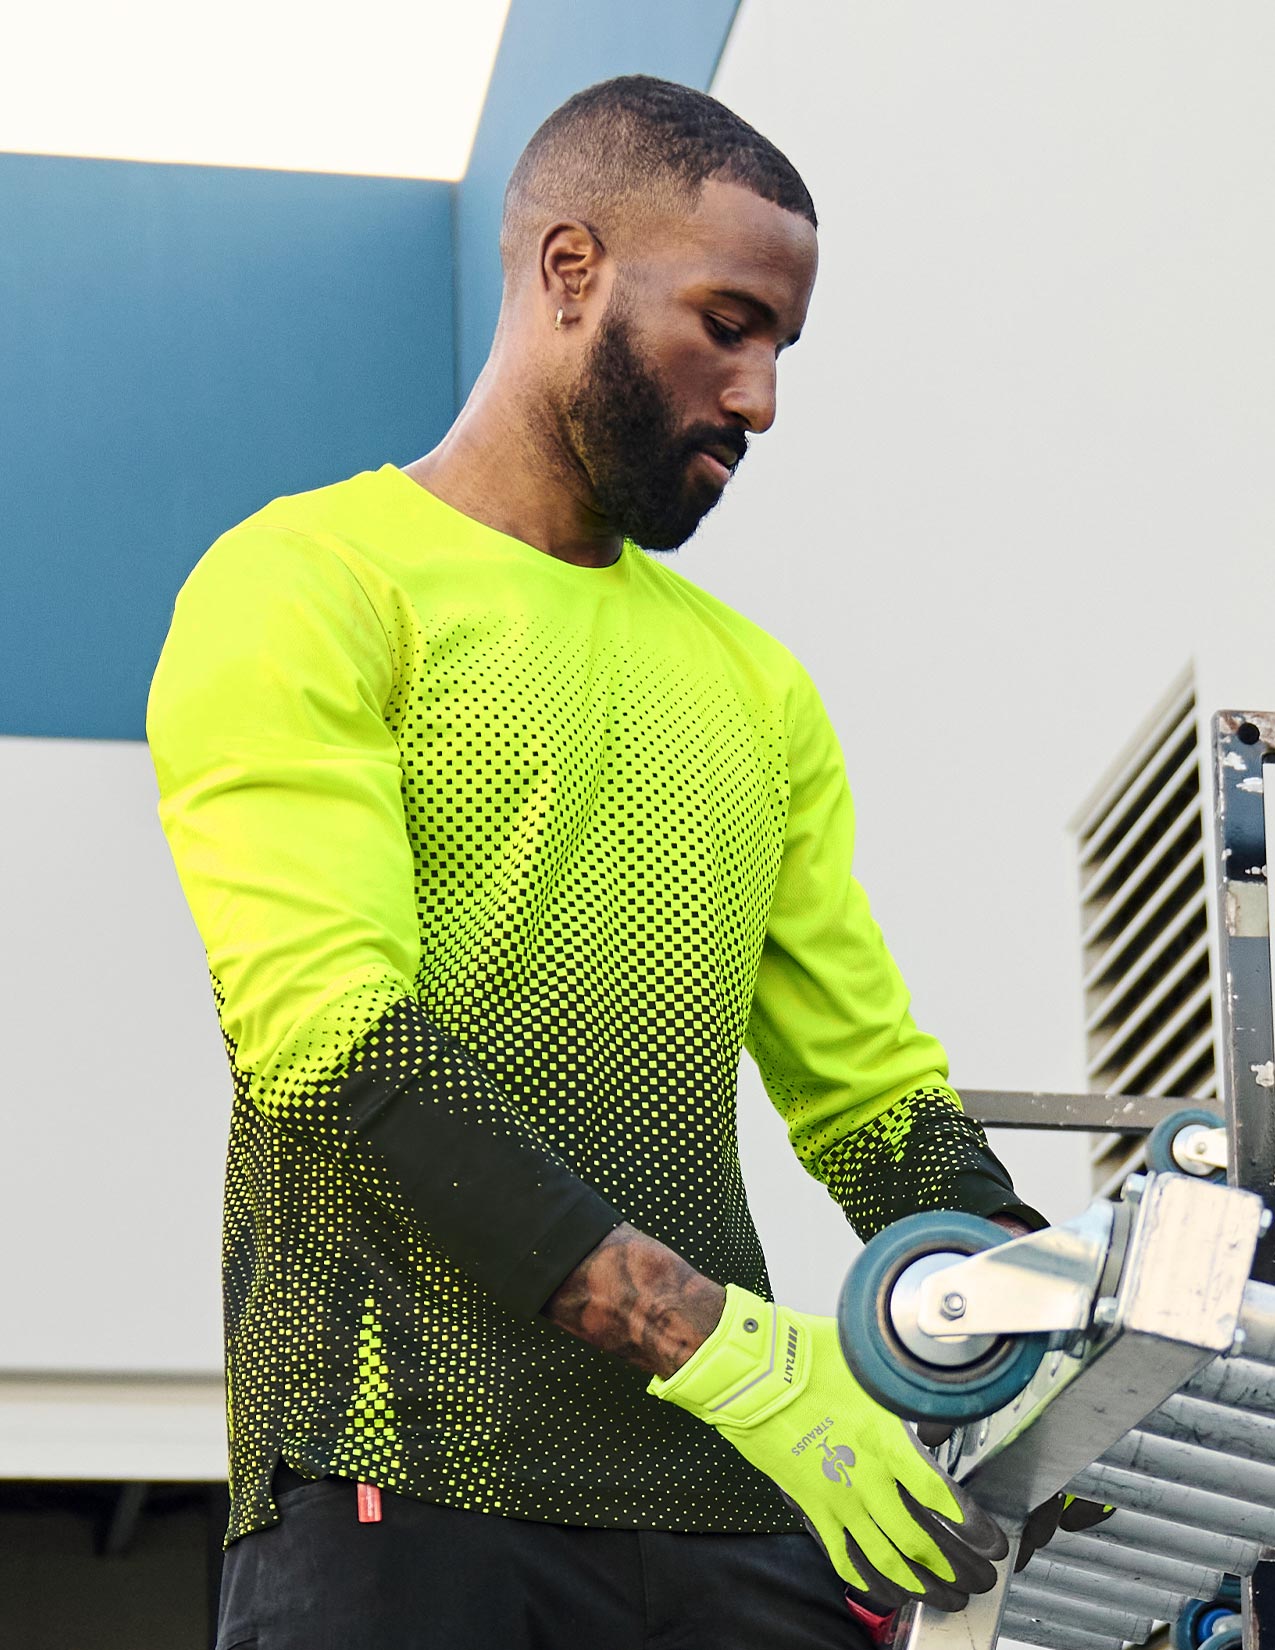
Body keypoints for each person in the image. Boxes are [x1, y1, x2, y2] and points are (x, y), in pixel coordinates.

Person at [148, 75, 1047, 1650]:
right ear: (572, 269)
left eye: (782, 348)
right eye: (728, 324)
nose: (760, 399)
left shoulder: (757, 688)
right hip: (403, 1481)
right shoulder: (306, 584)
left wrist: (1050, 1340)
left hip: (740, 1517)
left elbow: (873, 1099)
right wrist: (733, 1352)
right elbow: (334, 1048)